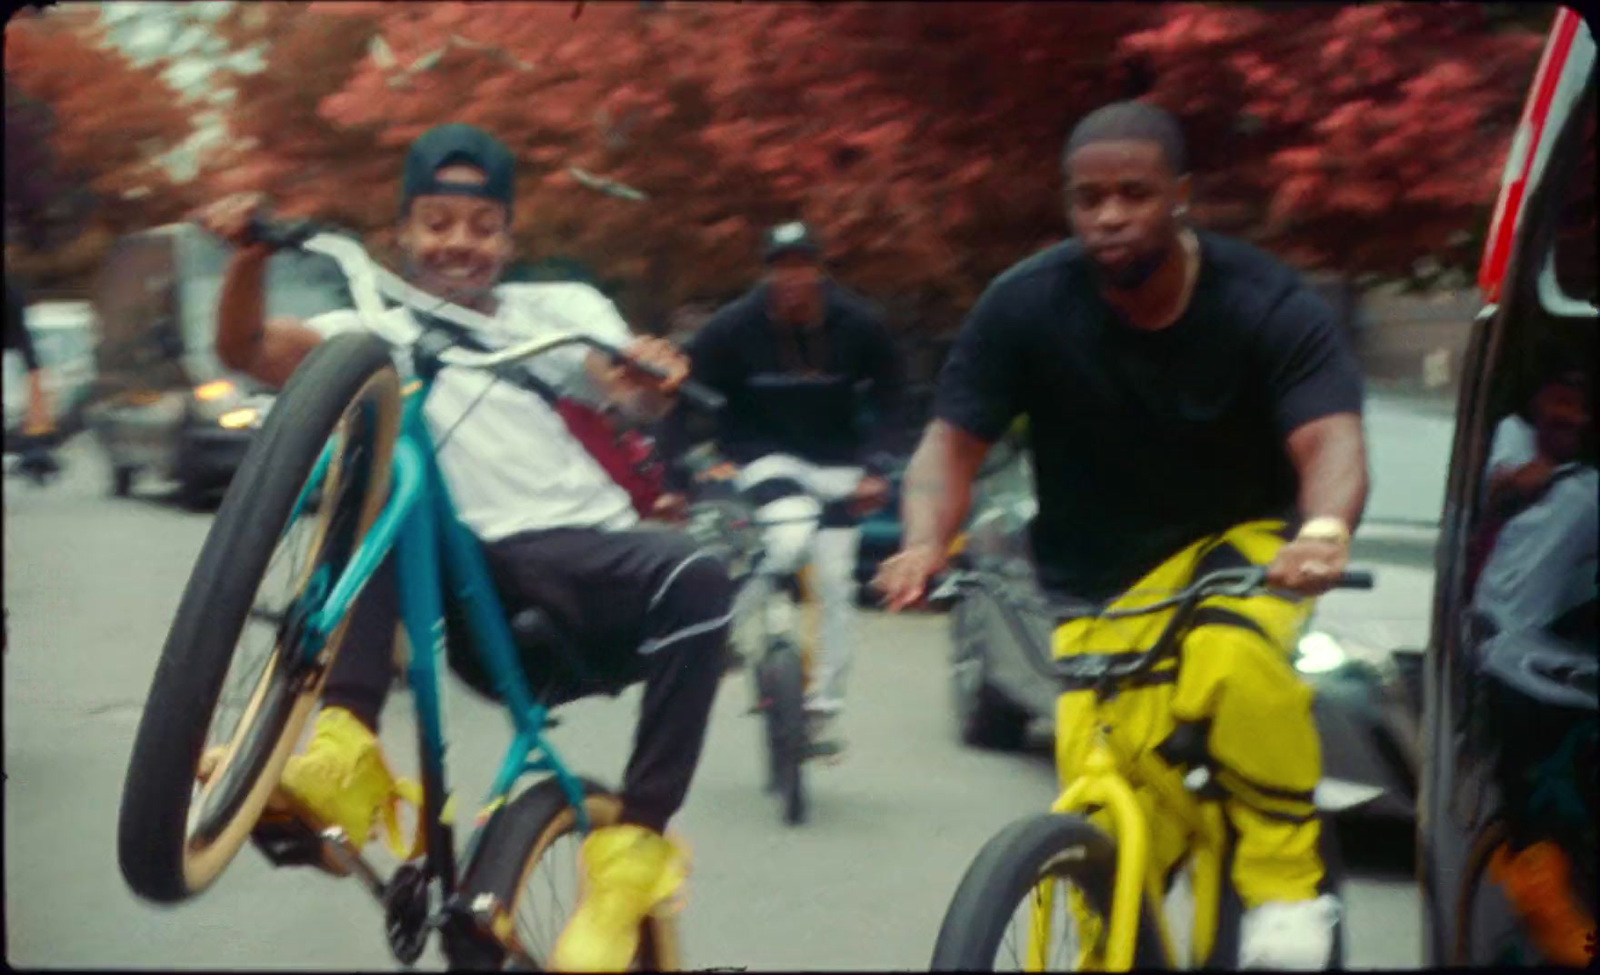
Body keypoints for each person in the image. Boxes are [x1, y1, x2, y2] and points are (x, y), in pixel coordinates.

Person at [194, 123, 733, 972]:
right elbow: (248, 350)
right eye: (438, 222)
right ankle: (345, 748)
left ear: (509, 240)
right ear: (403, 233)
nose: (460, 243)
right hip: (473, 580)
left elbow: (623, 378)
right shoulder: (370, 322)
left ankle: (631, 863)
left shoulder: (559, 311)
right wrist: (250, 253)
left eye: (482, 226)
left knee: (703, 576)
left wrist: (645, 372)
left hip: (590, 565)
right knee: (387, 449)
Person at [874, 101, 1369, 970]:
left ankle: (1287, 887)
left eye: (1133, 194)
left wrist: (1323, 531)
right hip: (1096, 581)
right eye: (1088, 197)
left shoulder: (1262, 302)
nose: (1108, 215)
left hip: (1242, 551)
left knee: (1233, 657)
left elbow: (1328, 436)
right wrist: (925, 542)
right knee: (1107, 819)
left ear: (1180, 195)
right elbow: (949, 445)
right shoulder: (1025, 306)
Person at [660, 221, 901, 754]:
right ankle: (723, 633)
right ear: (767, 273)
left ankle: (821, 706)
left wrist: (876, 467)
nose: (792, 278)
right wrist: (676, 479)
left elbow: (892, 396)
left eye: (802, 265)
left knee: (837, 581)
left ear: (819, 270)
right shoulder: (732, 329)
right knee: (790, 539)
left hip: (837, 462)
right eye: (780, 267)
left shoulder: (858, 325)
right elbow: (678, 396)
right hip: (763, 457)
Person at [1472, 365, 1596, 637]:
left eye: (1580, 407)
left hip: (1533, 643)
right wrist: (1537, 472)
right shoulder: (1514, 435)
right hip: (1482, 625)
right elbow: (1502, 495)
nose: (1573, 417)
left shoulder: (1587, 492)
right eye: (1562, 403)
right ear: (1536, 404)